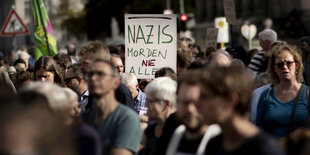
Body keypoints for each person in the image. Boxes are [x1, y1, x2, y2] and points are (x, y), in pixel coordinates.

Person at [195, 66, 285, 155]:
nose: (197, 104)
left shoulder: (264, 148)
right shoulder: (214, 144)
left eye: (205, 97)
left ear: (231, 100)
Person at [83, 59, 142, 155]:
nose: (93, 78)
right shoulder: (85, 118)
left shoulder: (127, 118)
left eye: (100, 74)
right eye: (90, 75)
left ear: (115, 82)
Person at [256, 44, 309, 138]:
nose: (285, 67)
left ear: (296, 65)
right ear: (274, 68)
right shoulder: (266, 96)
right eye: (280, 65)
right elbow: (259, 130)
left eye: (289, 63)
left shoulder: (308, 94)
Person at [166, 70, 221, 155]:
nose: (190, 109)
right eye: (185, 102)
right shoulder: (178, 134)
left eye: (197, 103)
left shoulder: (220, 141)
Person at [79, 41, 134, 109]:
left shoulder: (121, 91)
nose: (81, 68)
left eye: (85, 63)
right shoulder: (93, 90)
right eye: (81, 63)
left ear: (99, 62)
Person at [140, 77, 177, 154]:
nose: (146, 105)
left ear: (167, 103)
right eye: (146, 100)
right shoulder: (149, 130)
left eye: (150, 101)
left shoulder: (180, 132)